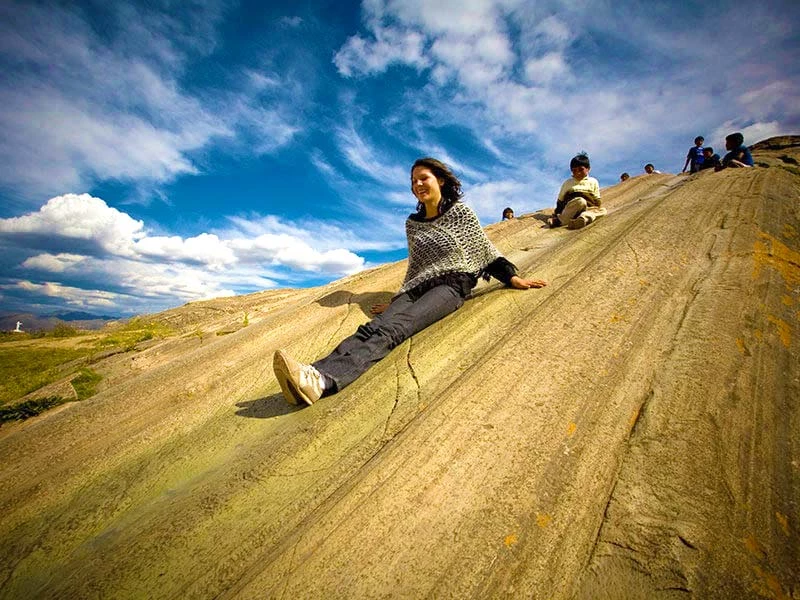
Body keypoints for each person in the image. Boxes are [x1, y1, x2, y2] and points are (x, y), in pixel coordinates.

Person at [273, 157, 547, 406]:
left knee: (394, 329)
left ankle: (322, 381)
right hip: (415, 288)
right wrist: (396, 298)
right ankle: (311, 374)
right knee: (373, 327)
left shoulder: (460, 213)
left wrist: (513, 278)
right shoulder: (412, 223)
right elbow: (417, 265)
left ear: (440, 180)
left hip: (449, 287)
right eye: (413, 181)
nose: (417, 184)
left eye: (423, 178)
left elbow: (484, 251)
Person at [548, 153, 606, 230]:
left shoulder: (593, 181)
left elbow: (597, 199)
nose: (578, 173)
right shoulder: (568, 183)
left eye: (581, 169)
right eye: (574, 170)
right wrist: (557, 214)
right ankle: (559, 221)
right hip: (572, 209)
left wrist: (595, 208)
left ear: (588, 168)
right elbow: (560, 201)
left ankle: (581, 220)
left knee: (603, 210)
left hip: (587, 209)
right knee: (581, 201)